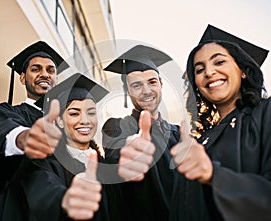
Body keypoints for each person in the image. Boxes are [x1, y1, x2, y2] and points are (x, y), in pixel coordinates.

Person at [171, 24, 271, 221]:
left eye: (219, 62)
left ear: (243, 70)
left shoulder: (266, 113)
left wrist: (214, 175)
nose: (209, 72)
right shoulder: (201, 141)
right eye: (199, 70)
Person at [102, 45, 205, 221]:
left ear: (161, 84)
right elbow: (116, 155)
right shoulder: (116, 127)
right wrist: (129, 154)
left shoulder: (178, 133)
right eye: (136, 85)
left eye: (152, 82)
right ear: (127, 91)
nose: (147, 91)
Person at [0, 72, 116, 221]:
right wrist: (65, 200)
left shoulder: (106, 165)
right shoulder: (47, 163)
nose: (85, 120)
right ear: (60, 121)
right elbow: (43, 191)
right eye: (74, 113)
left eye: (91, 113)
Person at [0, 41, 67, 214]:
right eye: (36, 69)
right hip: (19, 210)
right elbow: (3, 127)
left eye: (50, 70)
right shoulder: (9, 112)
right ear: (23, 77)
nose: (44, 74)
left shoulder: (66, 121)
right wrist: (23, 137)